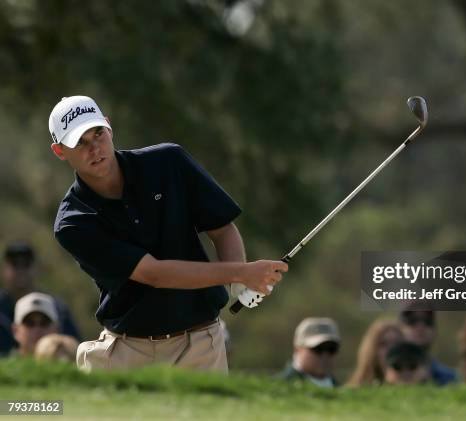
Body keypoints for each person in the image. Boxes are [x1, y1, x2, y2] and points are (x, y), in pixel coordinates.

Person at [48, 95, 288, 372]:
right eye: (80, 142)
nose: (95, 148)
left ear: (109, 127)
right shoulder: (73, 222)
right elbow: (155, 274)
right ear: (59, 151)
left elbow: (222, 229)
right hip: (127, 351)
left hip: (200, 346)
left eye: (98, 134)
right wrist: (240, 272)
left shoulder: (168, 161)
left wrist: (238, 285)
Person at [0, 242, 81, 356]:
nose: (21, 270)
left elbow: (73, 349)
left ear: (36, 268)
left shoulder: (58, 308)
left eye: (26, 264)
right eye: (15, 264)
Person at [398, 309, 457, 385]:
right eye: (412, 321)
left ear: (435, 330)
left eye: (427, 321)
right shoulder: (383, 376)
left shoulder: (451, 378)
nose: (420, 327)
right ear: (400, 328)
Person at [280, 317, 341, 388]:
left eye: (331, 349)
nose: (325, 355)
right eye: (318, 349)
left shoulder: (341, 390)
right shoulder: (279, 387)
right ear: (297, 349)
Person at [346, 319, 404, 387]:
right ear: (372, 351)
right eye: (383, 344)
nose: (391, 349)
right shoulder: (356, 390)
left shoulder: (415, 388)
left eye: (396, 343)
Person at [12, 292, 59, 357]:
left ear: (56, 329)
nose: (37, 329)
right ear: (15, 330)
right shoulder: (3, 367)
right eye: (29, 323)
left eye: (44, 323)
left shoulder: (73, 365)